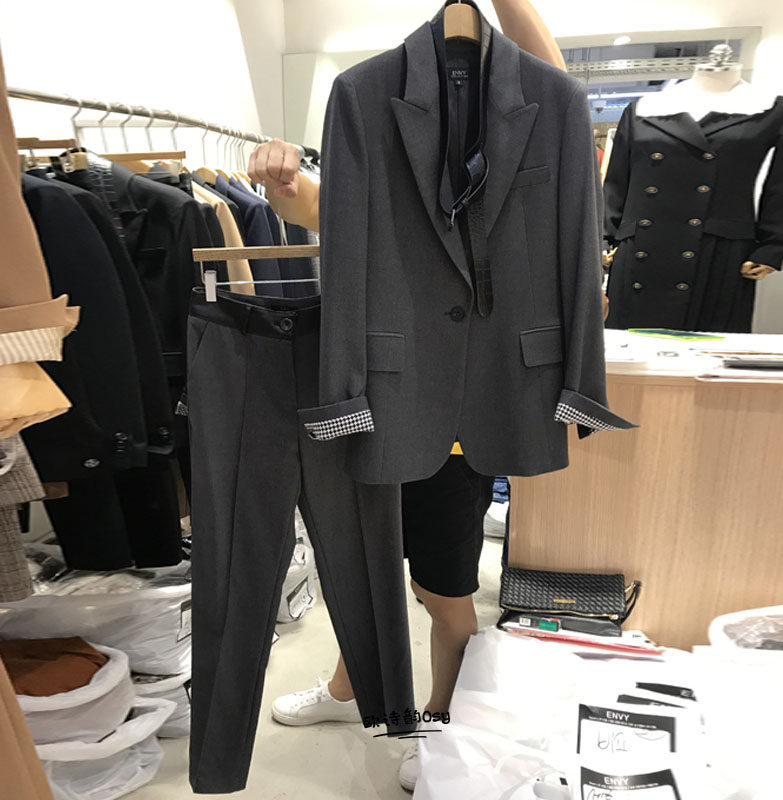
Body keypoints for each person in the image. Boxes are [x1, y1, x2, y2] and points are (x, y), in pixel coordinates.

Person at [247, 1, 573, 792]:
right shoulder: (375, 99)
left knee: (444, 589)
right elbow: (333, 215)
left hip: (468, 414)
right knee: (363, 571)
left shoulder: (537, 112)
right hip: (383, 396)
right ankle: (349, 689)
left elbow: (555, 90)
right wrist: (285, 187)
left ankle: (438, 718)